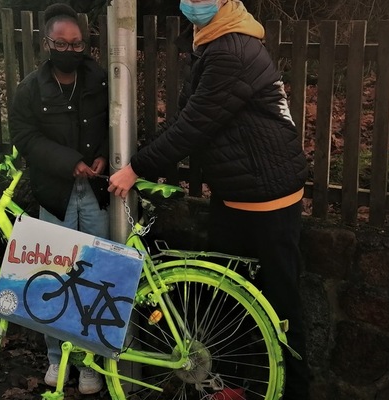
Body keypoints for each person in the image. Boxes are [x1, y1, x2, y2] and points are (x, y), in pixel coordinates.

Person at [107, 0, 310, 399]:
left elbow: (194, 124)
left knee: (280, 307)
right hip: (236, 195)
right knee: (226, 302)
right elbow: (191, 116)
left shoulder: (233, 49)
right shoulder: (211, 40)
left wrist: (136, 168)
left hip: (266, 198)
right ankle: (231, 387)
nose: (194, 3)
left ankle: (295, 392)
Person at [8, 3, 109, 395]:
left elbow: (115, 121)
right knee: (54, 277)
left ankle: (88, 362)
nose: (70, 50)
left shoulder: (100, 79)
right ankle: (57, 357)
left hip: (97, 194)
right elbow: (25, 136)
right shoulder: (30, 89)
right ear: (46, 44)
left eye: (77, 43)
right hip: (56, 194)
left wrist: (103, 153)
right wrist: (70, 163)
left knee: (96, 278)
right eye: (62, 44)